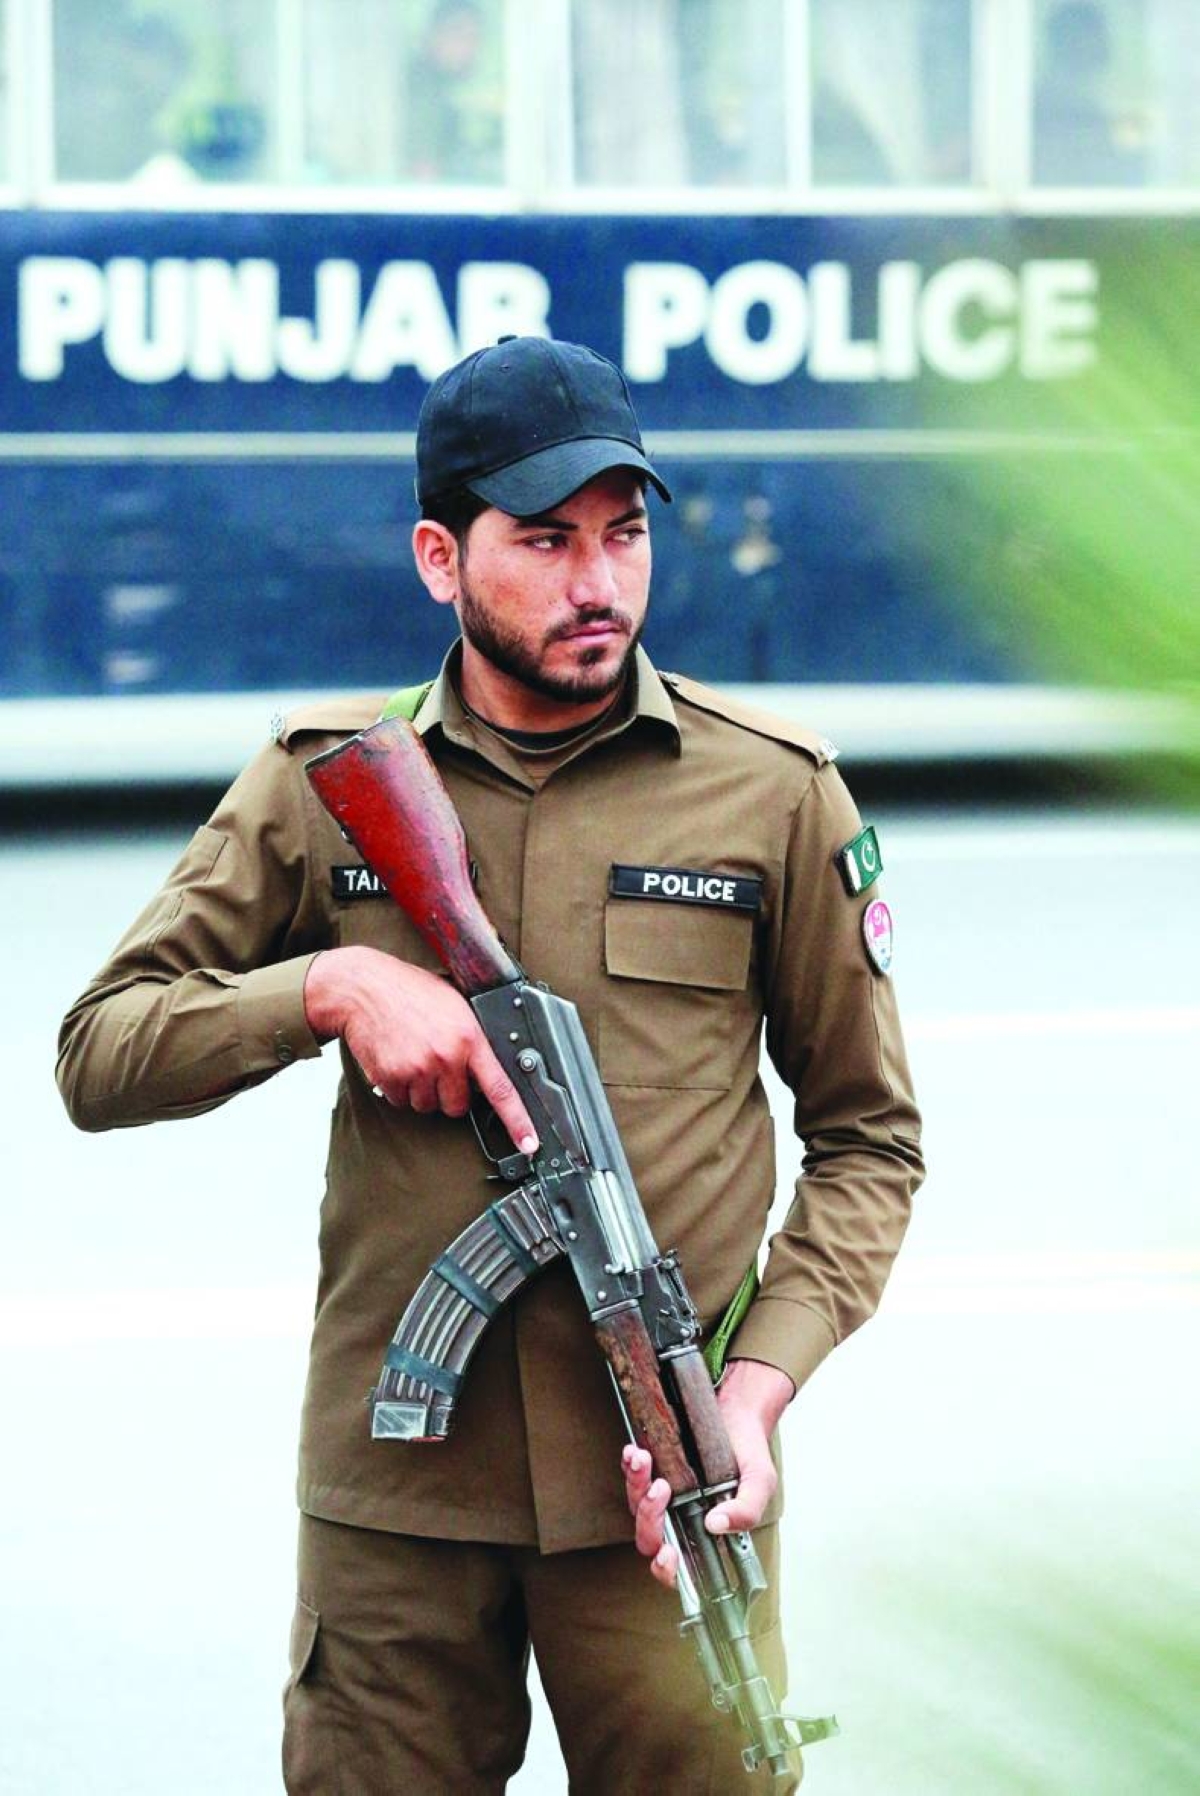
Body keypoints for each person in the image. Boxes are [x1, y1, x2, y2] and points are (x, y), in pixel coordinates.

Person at [56, 335, 923, 1792]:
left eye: (625, 534)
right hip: (398, 1511)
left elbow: (870, 1144)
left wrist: (756, 1393)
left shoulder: (773, 791)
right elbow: (102, 1050)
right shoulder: (324, 783)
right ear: (439, 559)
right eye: (545, 541)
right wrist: (328, 986)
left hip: (671, 1499)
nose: (599, 582)